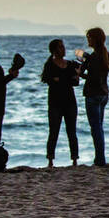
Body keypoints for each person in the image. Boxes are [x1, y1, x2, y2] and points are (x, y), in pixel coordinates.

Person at [41, 39, 80, 167]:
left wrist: (60, 79)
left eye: (63, 47)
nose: (63, 49)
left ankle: (75, 159)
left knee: (72, 131)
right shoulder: (50, 65)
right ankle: (50, 159)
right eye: (60, 47)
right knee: (54, 131)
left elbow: (75, 82)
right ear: (54, 50)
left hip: (69, 101)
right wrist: (65, 79)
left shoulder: (70, 64)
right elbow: (47, 79)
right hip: (55, 102)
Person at [78, 26, 109, 166]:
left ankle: (99, 159)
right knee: (99, 127)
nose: (88, 40)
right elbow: (100, 74)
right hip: (104, 94)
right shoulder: (106, 55)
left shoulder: (94, 57)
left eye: (89, 38)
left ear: (94, 39)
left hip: (93, 94)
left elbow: (92, 77)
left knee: (95, 128)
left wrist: (80, 73)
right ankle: (100, 158)